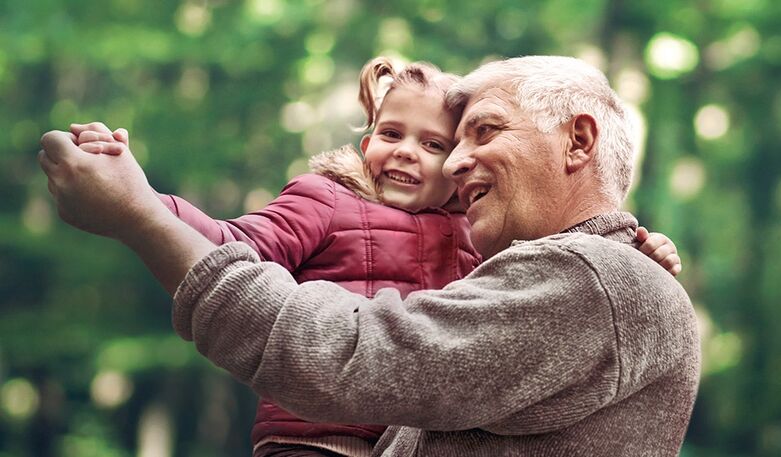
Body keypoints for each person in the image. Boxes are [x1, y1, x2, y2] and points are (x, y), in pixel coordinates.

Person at [39, 55, 698, 456]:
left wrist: (140, 216)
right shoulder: (567, 277)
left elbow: (354, 354)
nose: (456, 159)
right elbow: (244, 239)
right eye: (396, 134)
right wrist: (155, 206)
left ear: (577, 141)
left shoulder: (590, 276)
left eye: (482, 133)